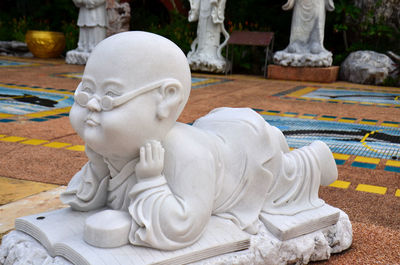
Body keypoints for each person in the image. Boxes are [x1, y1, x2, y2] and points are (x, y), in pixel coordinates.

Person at [61, 31, 338, 250]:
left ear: (166, 99)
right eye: (85, 92)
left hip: (245, 162)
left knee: (279, 179)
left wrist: (150, 181)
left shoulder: (185, 154)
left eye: (110, 96)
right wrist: (98, 168)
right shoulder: (117, 146)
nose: (93, 106)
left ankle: (313, 160)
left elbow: (185, 226)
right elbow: (85, 198)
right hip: (213, 132)